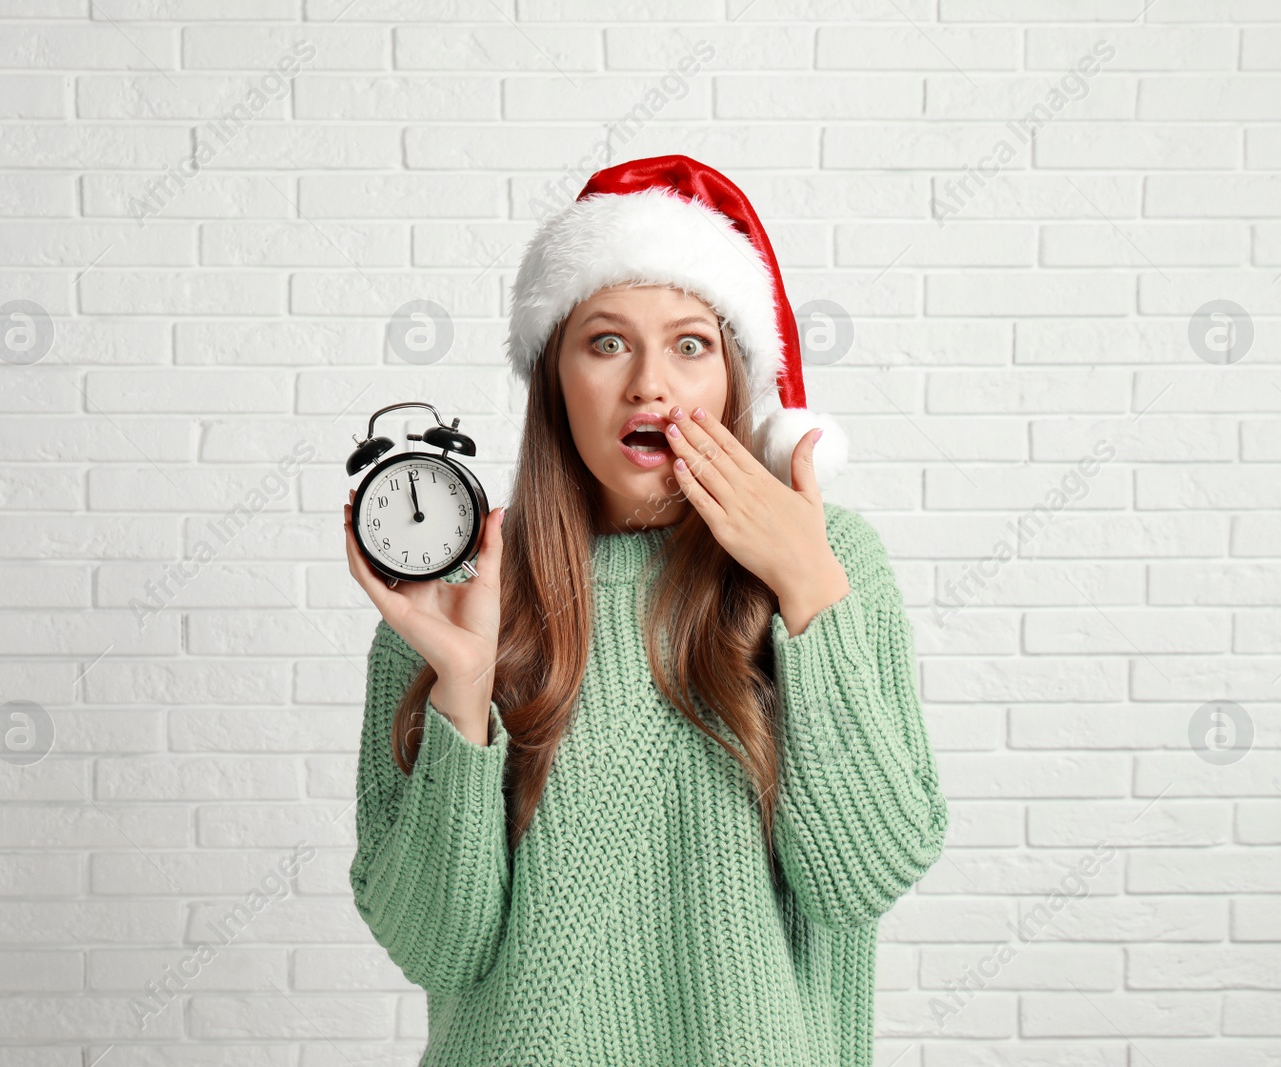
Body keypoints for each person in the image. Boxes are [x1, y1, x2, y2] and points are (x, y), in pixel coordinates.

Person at [342, 154, 948, 1066]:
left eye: (691, 344)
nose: (650, 386)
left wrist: (808, 591)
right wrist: (463, 691)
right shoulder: (463, 590)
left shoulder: (833, 563)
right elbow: (435, 948)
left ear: (737, 377)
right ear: (555, 377)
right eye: (608, 341)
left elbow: (865, 875)